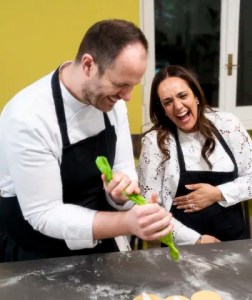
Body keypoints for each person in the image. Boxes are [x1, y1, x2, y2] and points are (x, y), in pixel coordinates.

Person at [0, 19, 173, 262]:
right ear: (89, 65)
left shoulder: (113, 103)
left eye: (133, 86)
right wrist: (126, 222)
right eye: (120, 85)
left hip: (98, 236)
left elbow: (123, 168)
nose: (128, 97)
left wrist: (120, 195)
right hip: (36, 248)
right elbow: (44, 213)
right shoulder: (28, 117)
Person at [138, 65, 252, 246]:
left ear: (196, 96)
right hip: (182, 246)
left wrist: (217, 193)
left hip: (234, 241)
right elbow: (149, 209)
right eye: (168, 102)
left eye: (183, 96)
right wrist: (196, 240)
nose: (178, 106)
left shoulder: (228, 124)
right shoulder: (155, 142)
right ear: (163, 109)